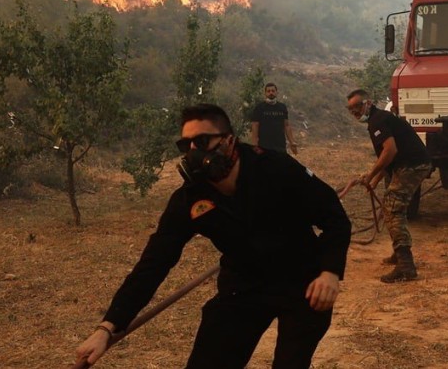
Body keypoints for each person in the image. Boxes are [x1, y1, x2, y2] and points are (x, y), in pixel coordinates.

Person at [74, 103, 351, 369]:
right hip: (244, 286)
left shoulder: (277, 169)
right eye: (186, 145)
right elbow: (154, 264)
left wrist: (329, 273)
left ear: (229, 141)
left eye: (203, 141)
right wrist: (107, 327)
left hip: (304, 283)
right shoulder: (189, 200)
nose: (193, 152)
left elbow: (335, 220)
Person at [345, 89, 430, 283]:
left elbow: (390, 151)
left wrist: (370, 175)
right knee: (392, 206)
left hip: (412, 165)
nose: (355, 111)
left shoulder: (378, 121)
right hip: (405, 165)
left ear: (368, 103)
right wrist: (373, 182)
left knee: (392, 208)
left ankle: (406, 265)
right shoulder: (377, 120)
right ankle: (399, 254)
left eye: (357, 106)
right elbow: (387, 158)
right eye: (350, 109)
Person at [249, 82, 299, 155]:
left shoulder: (282, 107)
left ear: (276, 92)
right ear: (265, 93)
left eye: (273, 91)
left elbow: (286, 126)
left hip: (280, 146)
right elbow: (255, 126)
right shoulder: (259, 108)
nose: (271, 93)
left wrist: (292, 142)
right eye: (268, 91)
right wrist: (254, 145)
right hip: (264, 146)